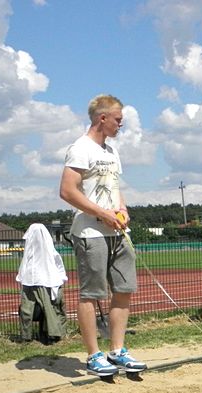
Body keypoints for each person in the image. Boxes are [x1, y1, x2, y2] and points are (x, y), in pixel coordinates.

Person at [59, 94, 146, 376]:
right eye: (118, 119)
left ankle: (117, 350)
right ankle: (93, 355)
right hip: (90, 232)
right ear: (102, 118)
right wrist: (101, 213)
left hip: (118, 231)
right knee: (91, 294)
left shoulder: (111, 152)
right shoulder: (80, 149)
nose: (121, 124)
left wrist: (122, 209)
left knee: (124, 289)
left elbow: (114, 186)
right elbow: (67, 191)